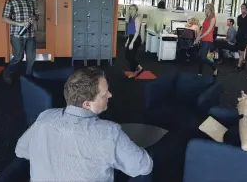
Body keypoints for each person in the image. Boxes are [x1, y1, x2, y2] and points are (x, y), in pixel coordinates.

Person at [15, 67, 153, 181]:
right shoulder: (109, 132)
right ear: (87, 104)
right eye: (104, 94)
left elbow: (20, 150)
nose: (110, 95)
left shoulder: (44, 118)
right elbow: (144, 166)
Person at [1, 0, 38, 84]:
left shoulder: (30, 2)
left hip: (30, 35)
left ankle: (28, 77)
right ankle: (7, 71)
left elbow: (35, 16)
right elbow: (4, 19)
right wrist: (20, 24)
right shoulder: (10, 2)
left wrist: (34, 18)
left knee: (31, 58)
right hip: (17, 35)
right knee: (18, 57)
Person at [196, 3, 218, 77]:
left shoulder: (213, 18)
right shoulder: (207, 17)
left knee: (203, 56)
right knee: (200, 56)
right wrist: (198, 36)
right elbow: (202, 29)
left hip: (208, 39)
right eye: (205, 8)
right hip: (203, 38)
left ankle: (214, 68)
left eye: (206, 8)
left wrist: (200, 37)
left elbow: (208, 31)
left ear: (210, 9)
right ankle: (200, 73)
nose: (205, 9)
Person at [125, 4, 145, 78]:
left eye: (133, 9)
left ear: (136, 10)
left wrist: (132, 43)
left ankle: (132, 73)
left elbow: (136, 32)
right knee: (127, 56)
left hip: (136, 39)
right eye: (130, 9)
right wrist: (127, 41)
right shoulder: (131, 18)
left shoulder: (137, 18)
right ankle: (139, 68)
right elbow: (130, 31)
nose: (131, 10)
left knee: (131, 56)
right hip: (131, 37)